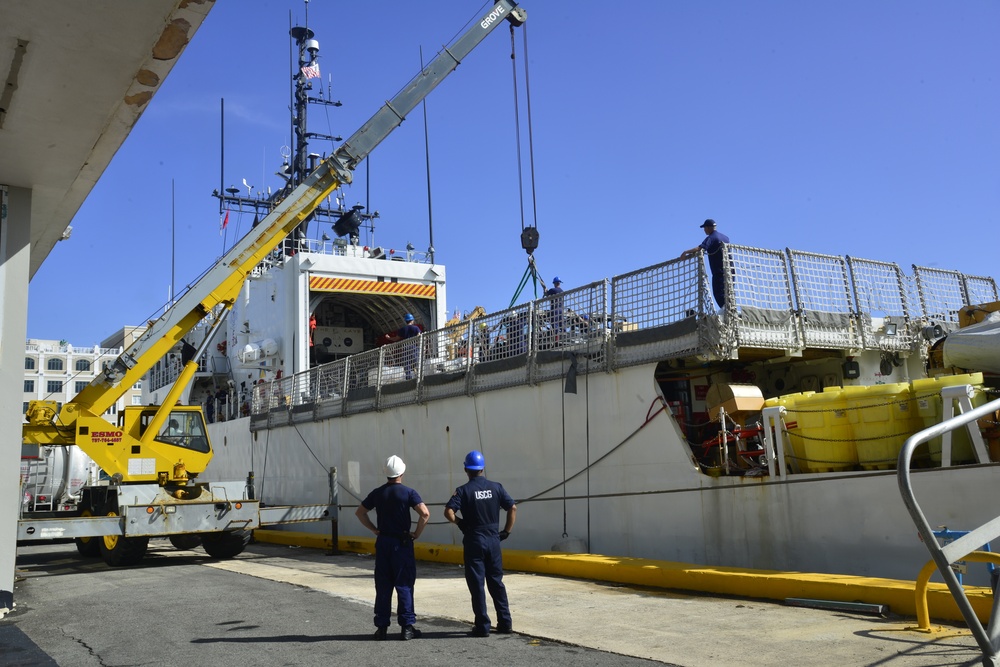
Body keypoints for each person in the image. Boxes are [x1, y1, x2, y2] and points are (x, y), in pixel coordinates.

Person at [355, 455, 430, 641]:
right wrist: (416, 533)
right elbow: (425, 513)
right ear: (402, 472)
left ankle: (381, 628)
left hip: (383, 542)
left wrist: (374, 529)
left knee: (383, 585)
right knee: (404, 584)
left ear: (386, 473)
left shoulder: (377, 493)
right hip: (402, 543)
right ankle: (407, 627)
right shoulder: (409, 493)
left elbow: (360, 512)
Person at [444, 450, 517, 637]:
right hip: (493, 539)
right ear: (482, 468)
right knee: (496, 582)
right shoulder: (496, 487)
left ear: (466, 469)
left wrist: (460, 523)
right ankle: (505, 622)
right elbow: (512, 507)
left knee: (477, 584)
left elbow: (448, 512)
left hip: (474, 539)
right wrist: (506, 531)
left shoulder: (463, 490)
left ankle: (483, 626)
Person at [680, 219, 731, 308]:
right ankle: (731, 309)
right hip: (730, 270)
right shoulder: (725, 238)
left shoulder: (711, 238)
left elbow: (700, 248)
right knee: (729, 292)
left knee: (719, 292)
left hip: (719, 271)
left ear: (708, 228)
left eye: (704, 228)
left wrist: (686, 252)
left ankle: (725, 311)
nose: (704, 230)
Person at [398, 313, 421, 379]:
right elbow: (419, 336)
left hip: (405, 347)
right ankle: (419, 376)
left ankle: (408, 377)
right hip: (413, 347)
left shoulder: (403, 329)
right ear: (412, 320)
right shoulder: (416, 328)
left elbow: (396, 338)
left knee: (406, 363)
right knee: (416, 361)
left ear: (406, 320)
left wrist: (388, 338)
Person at [544, 276, 564, 345]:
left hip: (555, 309)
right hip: (561, 309)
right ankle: (564, 337)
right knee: (561, 324)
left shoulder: (552, 290)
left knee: (554, 324)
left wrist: (545, 290)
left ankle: (556, 341)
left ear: (554, 283)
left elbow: (546, 294)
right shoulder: (562, 291)